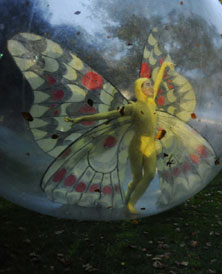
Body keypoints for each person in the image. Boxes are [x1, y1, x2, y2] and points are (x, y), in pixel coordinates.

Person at [65, 61, 175, 213]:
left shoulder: (152, 102)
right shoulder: (133, 107)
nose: (151, 87)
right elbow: (108, 115)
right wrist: (80, 119)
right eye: (147, 85)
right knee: (137, 178)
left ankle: (131, 204)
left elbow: (158, 82)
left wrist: (163, 66)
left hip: (150, 144)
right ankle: (126, 202)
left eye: (150, 85)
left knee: (149, 174)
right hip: (136, 146)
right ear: (140, 89)